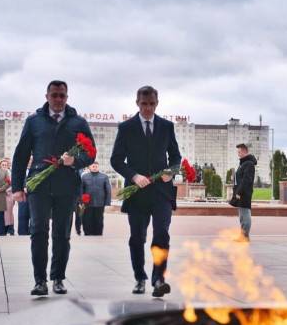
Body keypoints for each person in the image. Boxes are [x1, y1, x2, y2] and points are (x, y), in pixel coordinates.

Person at [12, 80, 95, 296]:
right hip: (39, 184)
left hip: (67, 185)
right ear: (47, 96)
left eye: (62, 96)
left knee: (62, 234)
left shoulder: (78, 122)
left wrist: (74, 161)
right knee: (38, 232)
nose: (58, 100)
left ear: (67, 97)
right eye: (55, 95)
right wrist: (17, 187)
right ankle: (40, 281)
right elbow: (20, 156)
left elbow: (91, 154)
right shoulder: (33, 122)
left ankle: (58, 278)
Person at [110, 85, 181, 297]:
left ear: (157, 103)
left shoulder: (167, 126)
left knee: (162, 234)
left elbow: (176, 157)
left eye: (151, 104)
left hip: (162, 193)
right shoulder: (126, 128)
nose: (148, 108)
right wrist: (133, 176)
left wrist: (171, 171)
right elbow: (116, 160)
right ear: (137, 103)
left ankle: (159, 278)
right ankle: (140, 278)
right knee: (137, 237)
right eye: (144, 104)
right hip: (137, 192)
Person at [232, 143, 257, 242]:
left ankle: (245, 236)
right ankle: (243, 235)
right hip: (241, 192)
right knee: (242, 215)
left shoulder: (249, 164)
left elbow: (246, 180)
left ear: (244, 151)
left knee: (245, 214)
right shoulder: (243, 163)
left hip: (244, 193)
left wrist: (239, 192)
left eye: (239, 152)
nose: (238, 154)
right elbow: (241, 178)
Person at [80, 162, 112, 235]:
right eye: (93, 166)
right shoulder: (84, 177)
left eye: (96, 166)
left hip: (100, 202)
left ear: (98, 167)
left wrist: (107, 202)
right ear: (89, 167)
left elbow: (108, 190)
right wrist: (81, 201)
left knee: (99, 219)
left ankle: (98, 233)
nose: (94, 167)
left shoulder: (104, 177)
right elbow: (81, 189)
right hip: (87, 202)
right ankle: (87, 233)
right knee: (87, 218)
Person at [17, 158, 32, 236]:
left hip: (33, 196)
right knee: (22, 214)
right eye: (28, 160)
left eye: (31, 161)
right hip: (22, 196)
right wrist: (22, 188)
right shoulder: (21, 171)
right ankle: (22, 232)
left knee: (33, 214)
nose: (29, 162)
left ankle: (32, 231)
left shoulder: (36, 171)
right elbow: (16, 181)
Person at [1, 159, 15, 235]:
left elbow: (13, 184)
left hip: (9, 195)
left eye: (5, 165)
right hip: (0, 196)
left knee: (9, 213)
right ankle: (4, 229)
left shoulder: (10, 173)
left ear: (8, 166)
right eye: (2, 165)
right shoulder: (0, 173)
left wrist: (6, 190)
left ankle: (10, 229)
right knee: (2, 214)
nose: (4, 166)